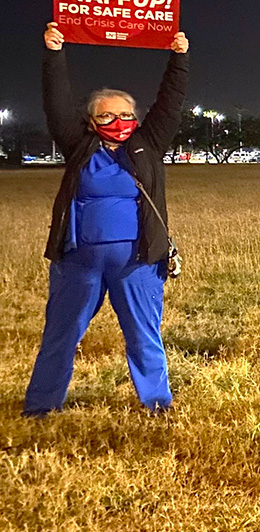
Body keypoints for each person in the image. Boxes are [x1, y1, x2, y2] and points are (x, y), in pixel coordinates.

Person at [24, 22, 189, 416]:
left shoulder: (147, 145)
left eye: (126, 114)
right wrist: (53, 53)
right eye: (108, 115)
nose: (119, 121)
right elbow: (56, 102)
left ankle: (157, 403)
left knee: (143, 336)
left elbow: (171, 102)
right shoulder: (78, 145)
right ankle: (41, 407)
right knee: (60, 336)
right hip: (78, 263)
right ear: (90, 120)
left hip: (138, 263)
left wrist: (179, 58)